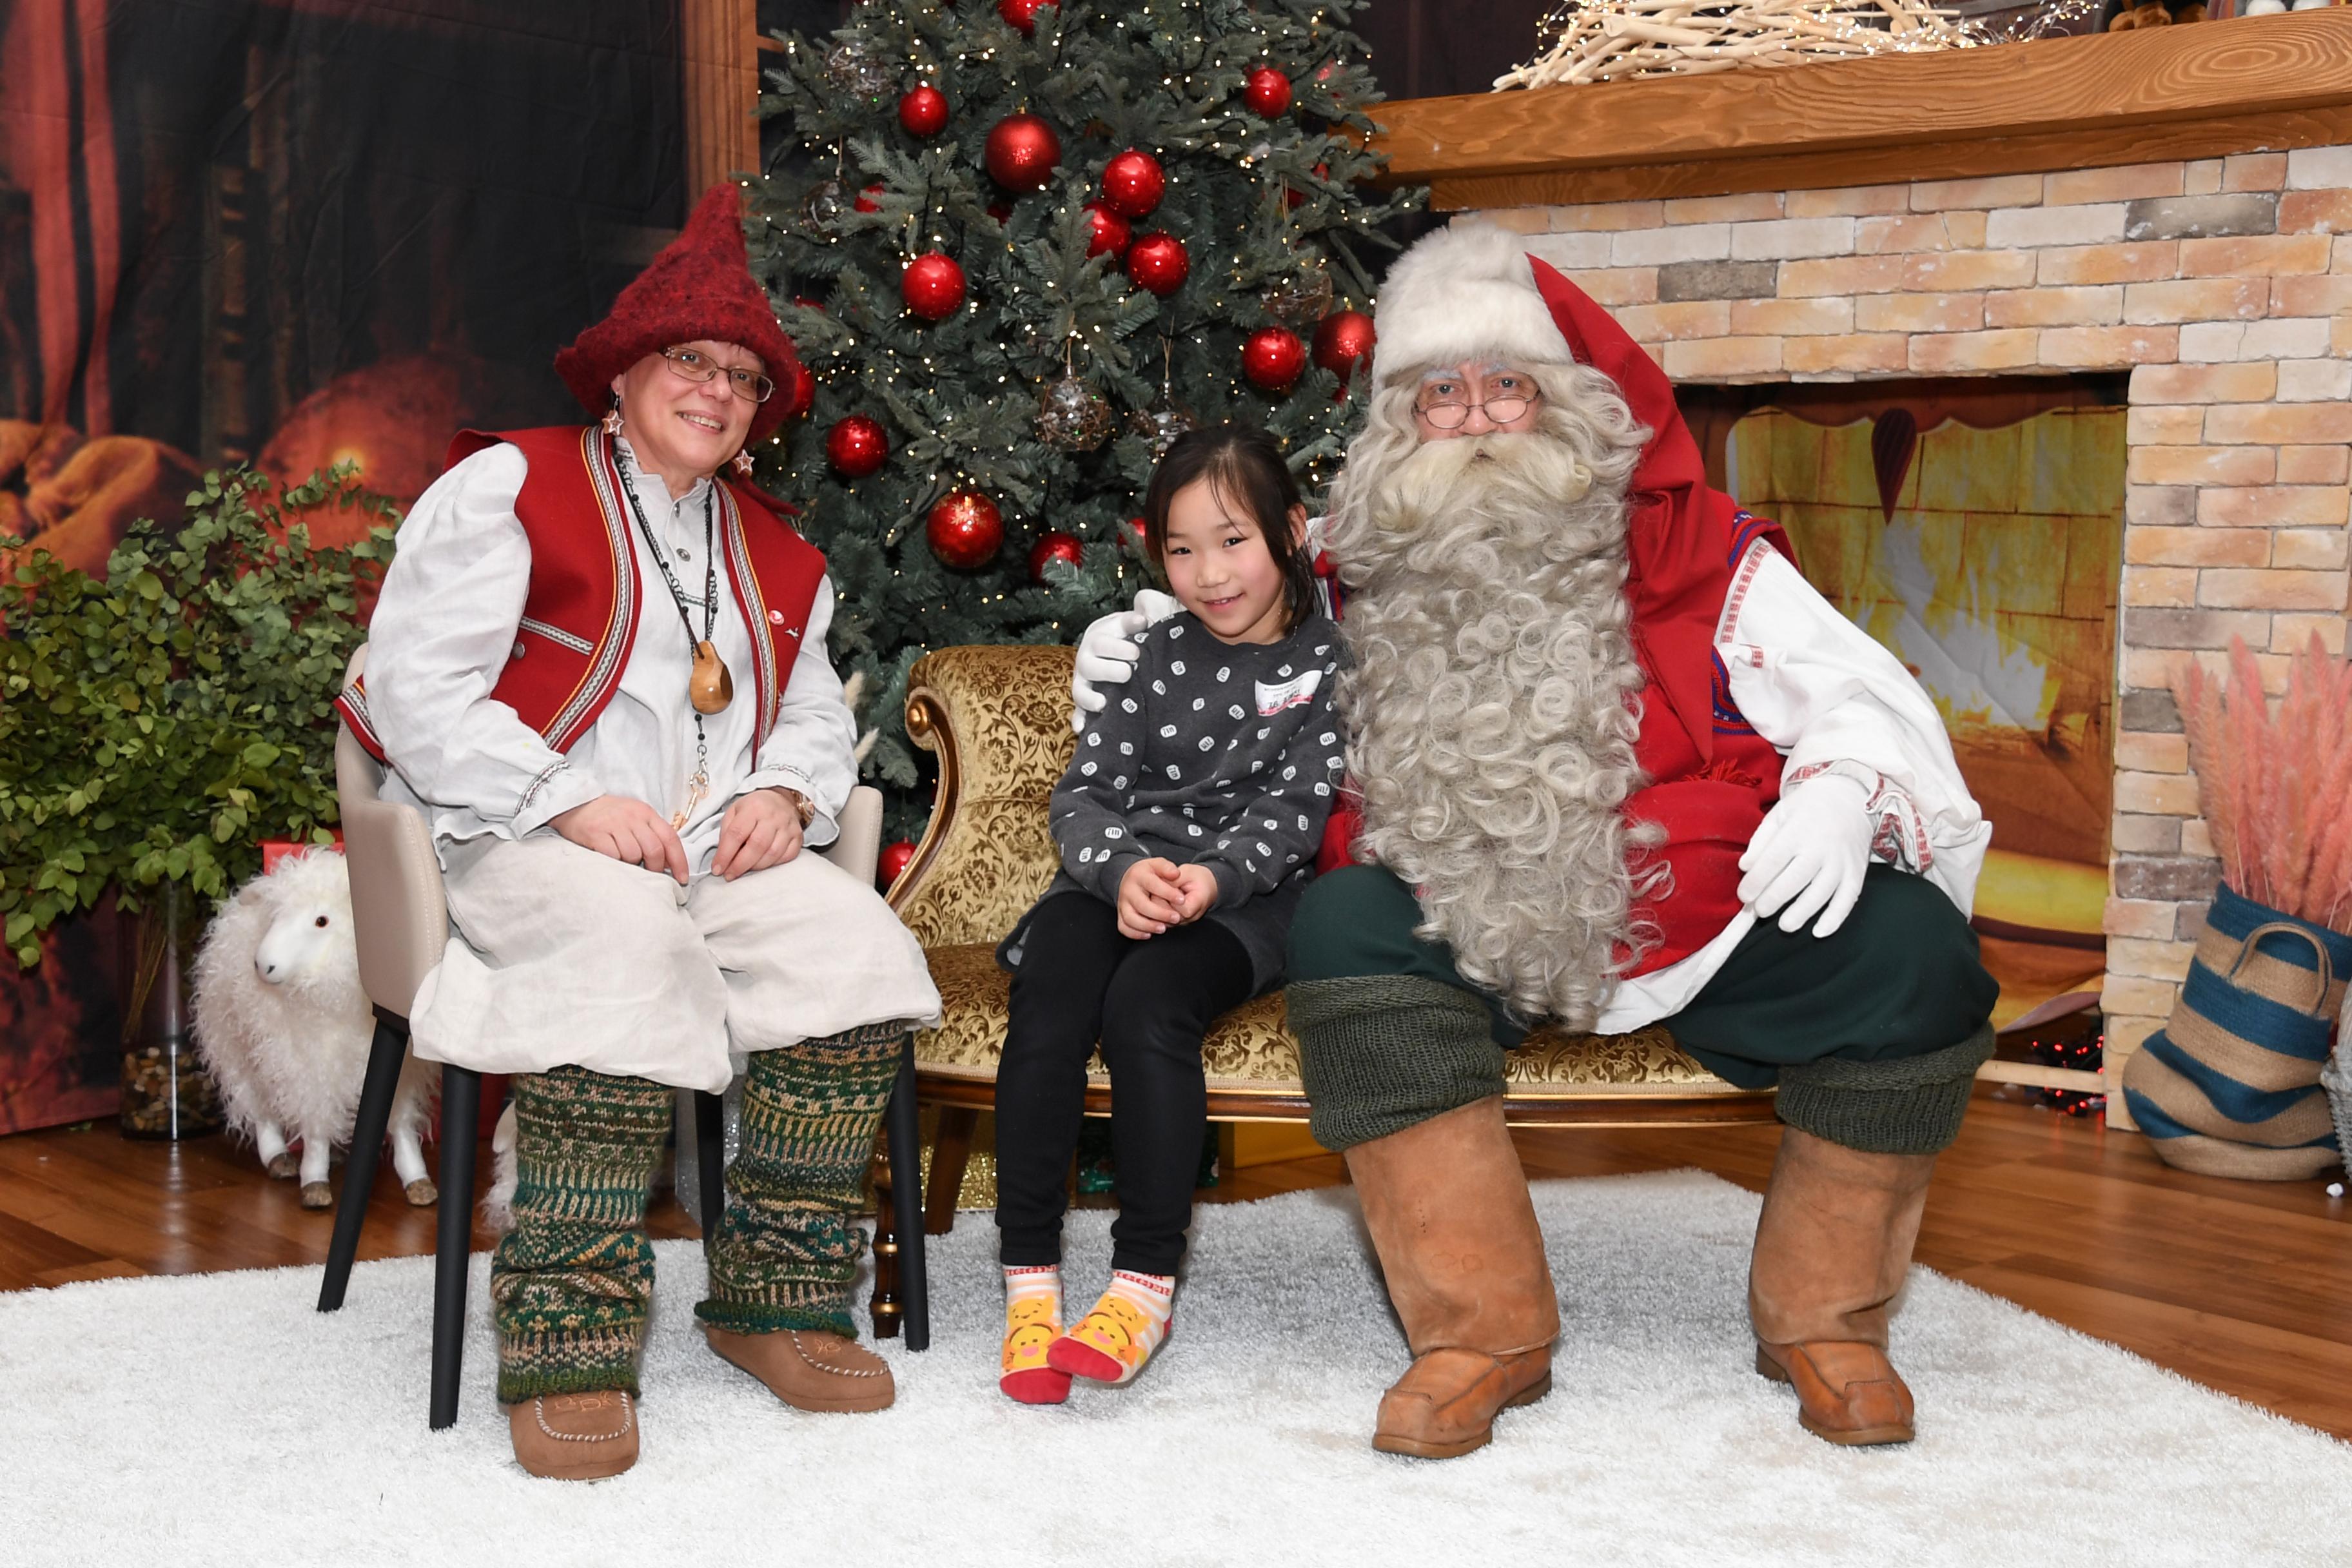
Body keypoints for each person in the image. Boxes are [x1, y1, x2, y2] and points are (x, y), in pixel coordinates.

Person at [1072, 222, 1997, 1456]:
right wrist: (1148, 639)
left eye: (1507, 383)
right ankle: (1477, 1333)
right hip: (1462, 914)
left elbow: (1858, 696)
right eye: (1440, 393)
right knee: (1351, 922)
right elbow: (1232, 603)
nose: (1478, 418)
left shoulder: (1699, 549)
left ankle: (1827, 1323)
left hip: (1696, 908)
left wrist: (1839, 793)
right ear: (1401, 420)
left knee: (1916, 953)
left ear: (1569, 400)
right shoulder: (1355, 564)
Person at [339, 185, 941, 1480]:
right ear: (622, 372)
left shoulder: (778, 553)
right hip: (516, 836)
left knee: (854, 953)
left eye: (742, 377)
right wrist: (564, 794)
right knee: (620, 950)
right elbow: (412, 691)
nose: (718, 393)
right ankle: (569, 1332)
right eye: (691, 363)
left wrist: (787, 794)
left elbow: (822, 716)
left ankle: (773, 1299)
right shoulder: (508, 485)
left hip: (711, 849)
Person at [992, 427, 1345, 1404]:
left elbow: (1298, 812)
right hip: (1113, 879)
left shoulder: (1331, 665)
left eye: (1232, 542)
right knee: (1051, 1005)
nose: (1209, 574)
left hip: (1246, 903)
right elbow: (1083, 796)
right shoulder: (1151, 655)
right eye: (1181, 550)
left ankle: (1143, 1283)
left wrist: (1215, 880)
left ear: (1290, 532)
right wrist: (1125, 870)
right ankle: (1029, 1284)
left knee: (1147, 1010)